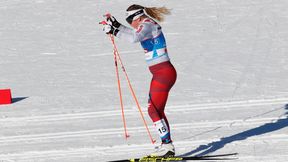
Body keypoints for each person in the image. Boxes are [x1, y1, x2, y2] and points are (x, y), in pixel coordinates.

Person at [102, 4, 177, 157]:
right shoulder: (146, 25)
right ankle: (167, 145)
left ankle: (168, 146)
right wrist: (116, 26)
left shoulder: (148, 25)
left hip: (163, 74)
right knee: (157, 110)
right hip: (161, 74)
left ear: (137, 17)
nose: (131, 24)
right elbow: (134, 33)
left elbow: (134, 38)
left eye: (129, 20)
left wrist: (115, 31)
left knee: (152, 110)